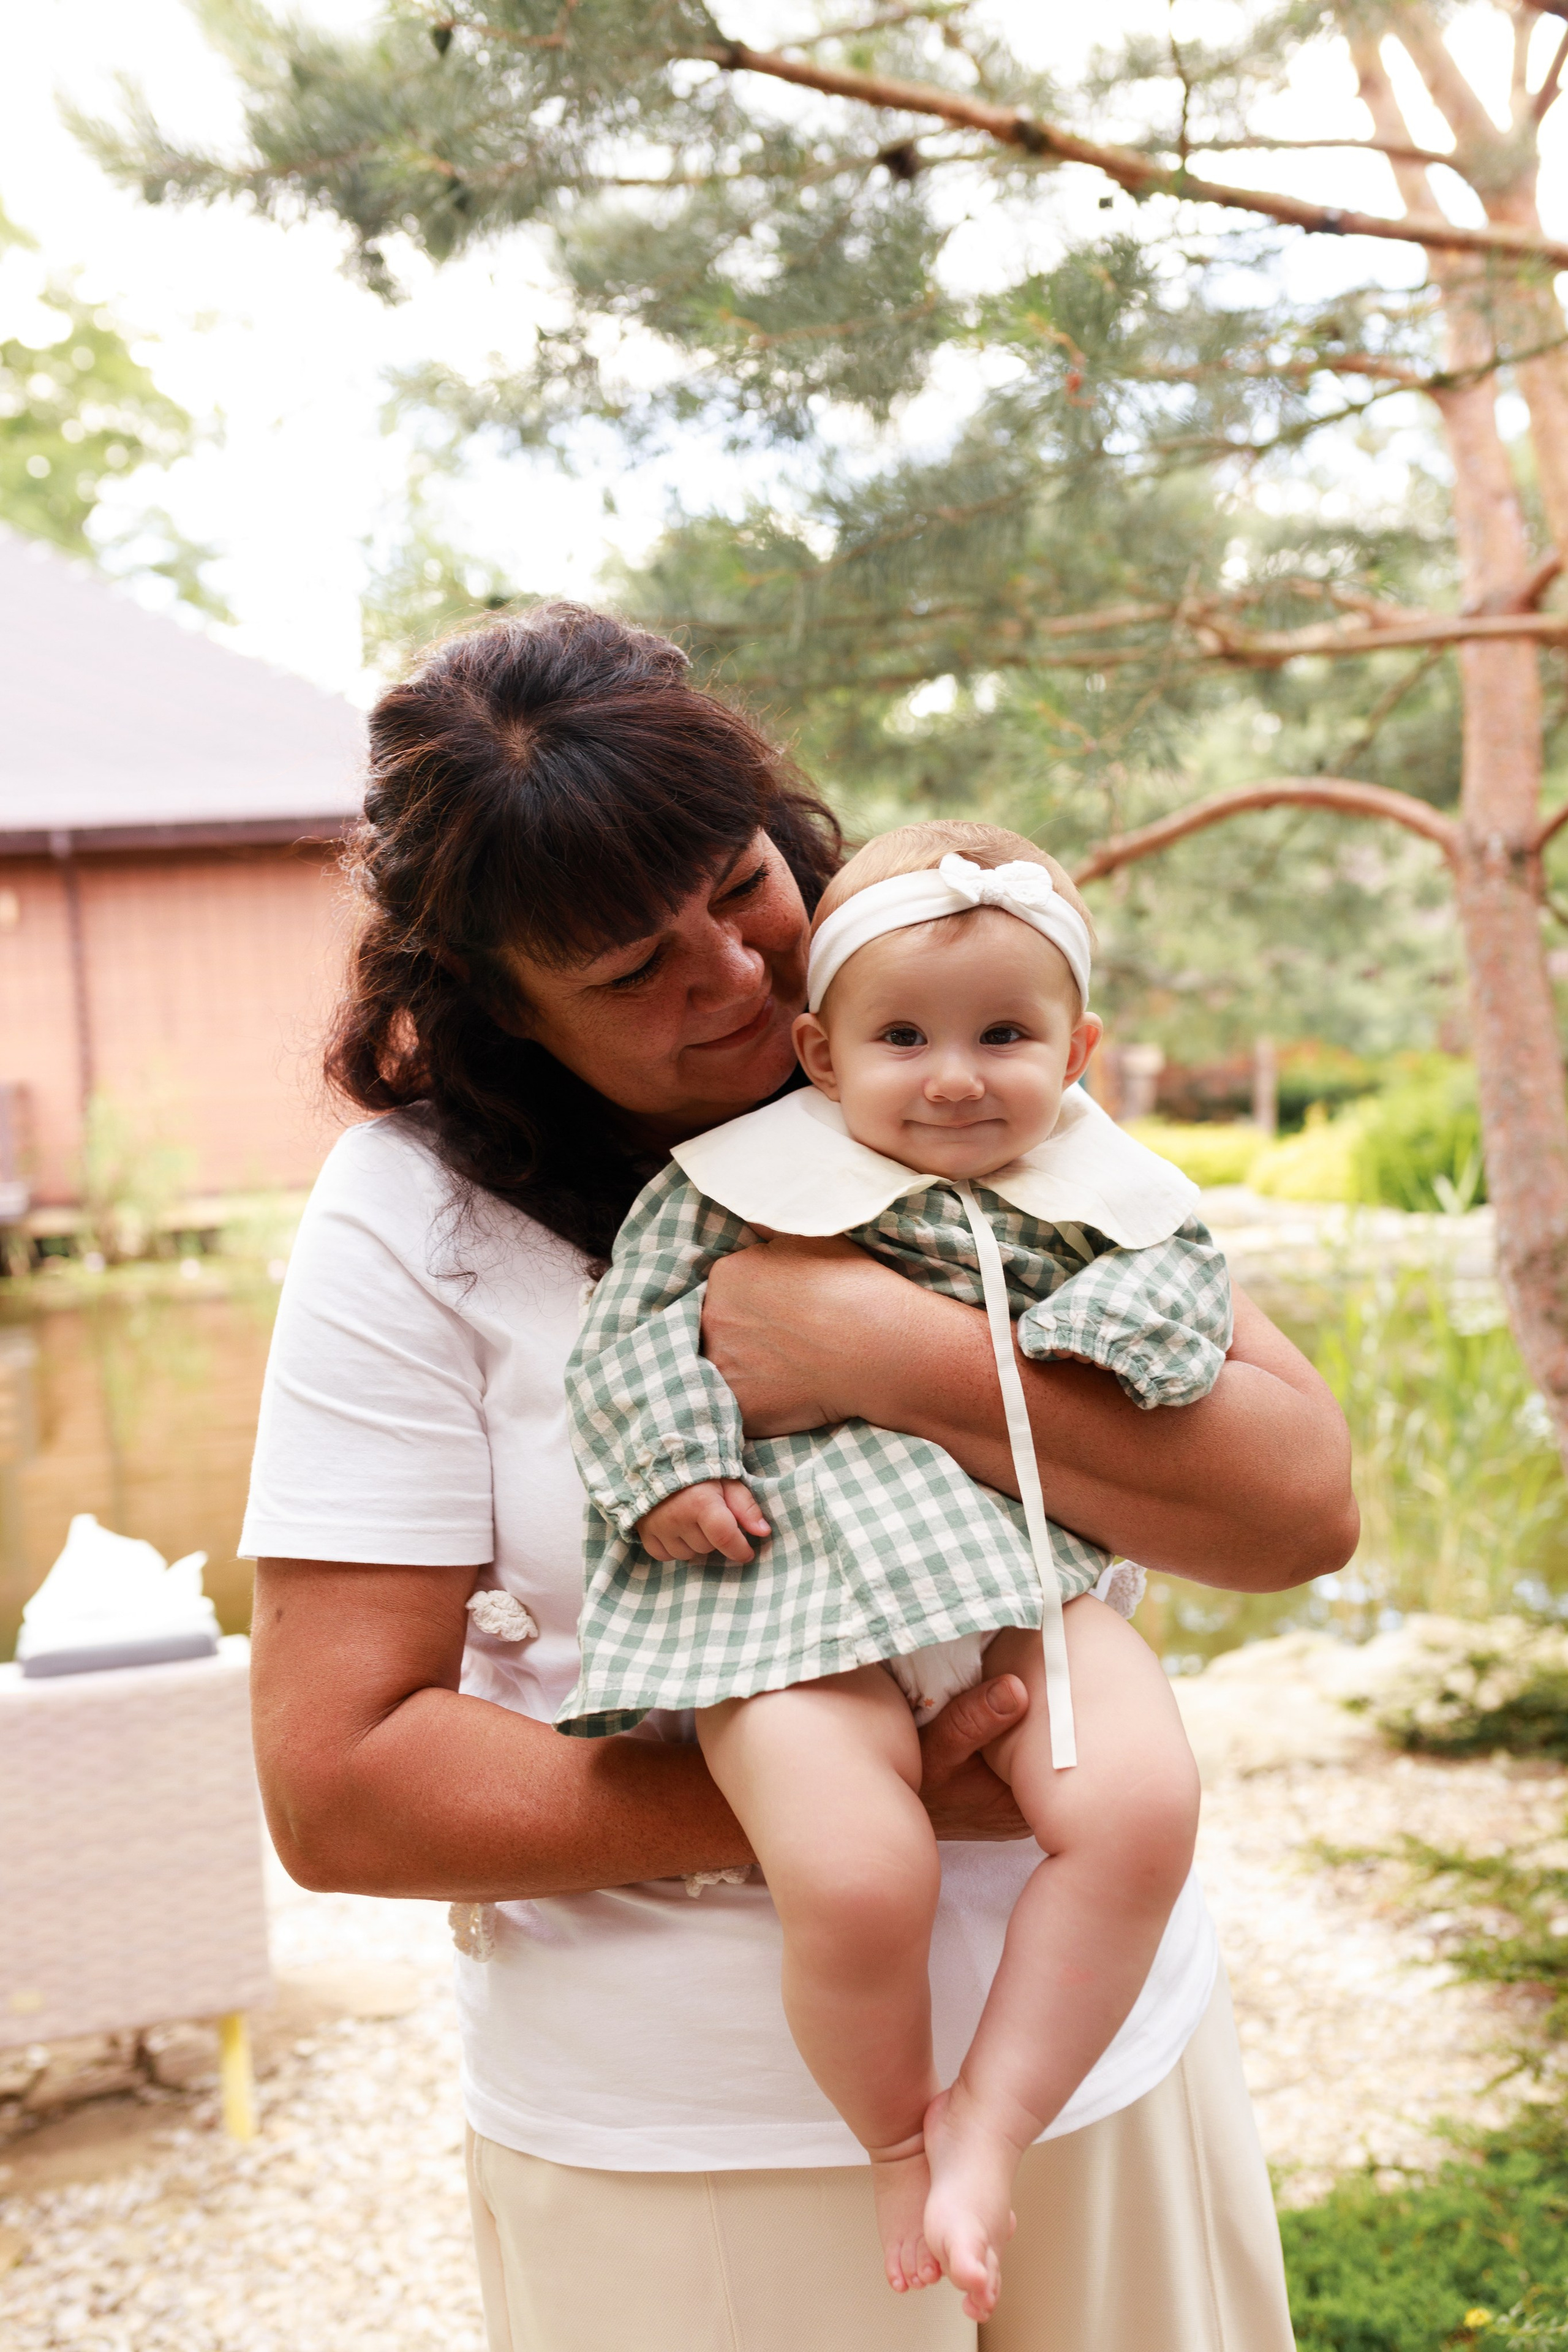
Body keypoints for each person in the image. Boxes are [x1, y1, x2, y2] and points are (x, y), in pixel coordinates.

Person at [241, 603, 1355, 2352]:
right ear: (498, 1006)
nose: (741, 977)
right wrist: (885, 1801)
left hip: (1099, 2063)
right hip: (690, 2143)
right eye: (630, 971)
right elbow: (338, 1788)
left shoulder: (961, 1066)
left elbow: (1299, 1508)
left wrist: (883, 1353)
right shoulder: (411, 1223)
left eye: (740, 882)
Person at [562, 820, 1226, 2315]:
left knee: (1139, 1808)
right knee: (857, 1874)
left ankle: (990, 2113)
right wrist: (671, 1463)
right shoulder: (733, 1181)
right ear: (818, 1047)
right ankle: (891, 2137)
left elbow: (1183, 1289)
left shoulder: (1099, 1186)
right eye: (903, 1037)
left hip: (1007, 1570)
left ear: (1077, 1048)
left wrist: (1085, 1348)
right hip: (782, 1590)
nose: (952, 1075)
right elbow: (626, 1335)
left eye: (1005, 1034)